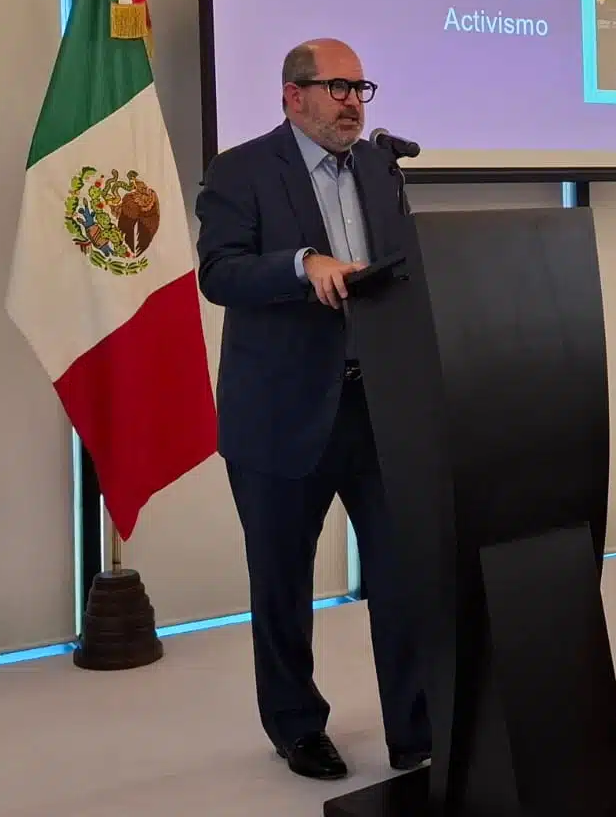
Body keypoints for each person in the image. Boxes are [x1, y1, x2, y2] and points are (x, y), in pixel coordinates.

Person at [195, 38, 430, 782]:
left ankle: (416, 727)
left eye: (361, 87)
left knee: (403, 574)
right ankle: (296, 726)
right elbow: (220, 273)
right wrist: (302, 266)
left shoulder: (379, 169)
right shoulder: (242, 170)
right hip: (280, 410)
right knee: (282, 582)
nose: (352, 102)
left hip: (378, 405)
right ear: (293, 95)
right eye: (336, 88)